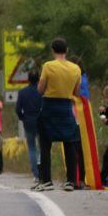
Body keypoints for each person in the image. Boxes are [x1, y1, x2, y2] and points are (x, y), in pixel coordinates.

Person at [32, 38, 83, 192]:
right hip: (66, 107)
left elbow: (40, 89)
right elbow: (77, 92)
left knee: (45, 144)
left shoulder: (48, 66)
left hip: (49, 106)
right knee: (70, 143)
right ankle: (71, 181)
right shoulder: (76, 68)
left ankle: (47, 180)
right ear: (66, 50)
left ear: (53, 50)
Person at [16, 69, 43, 182]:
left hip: (28, 122)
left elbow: (18, 109)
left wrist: (23, 118)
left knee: (32, 148)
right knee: (42, 147)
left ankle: (35, 175)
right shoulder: (42, 91)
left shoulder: (22, 92)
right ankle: (42, 172)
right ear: (39, 79)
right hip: (41, 121)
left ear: (28, 79)